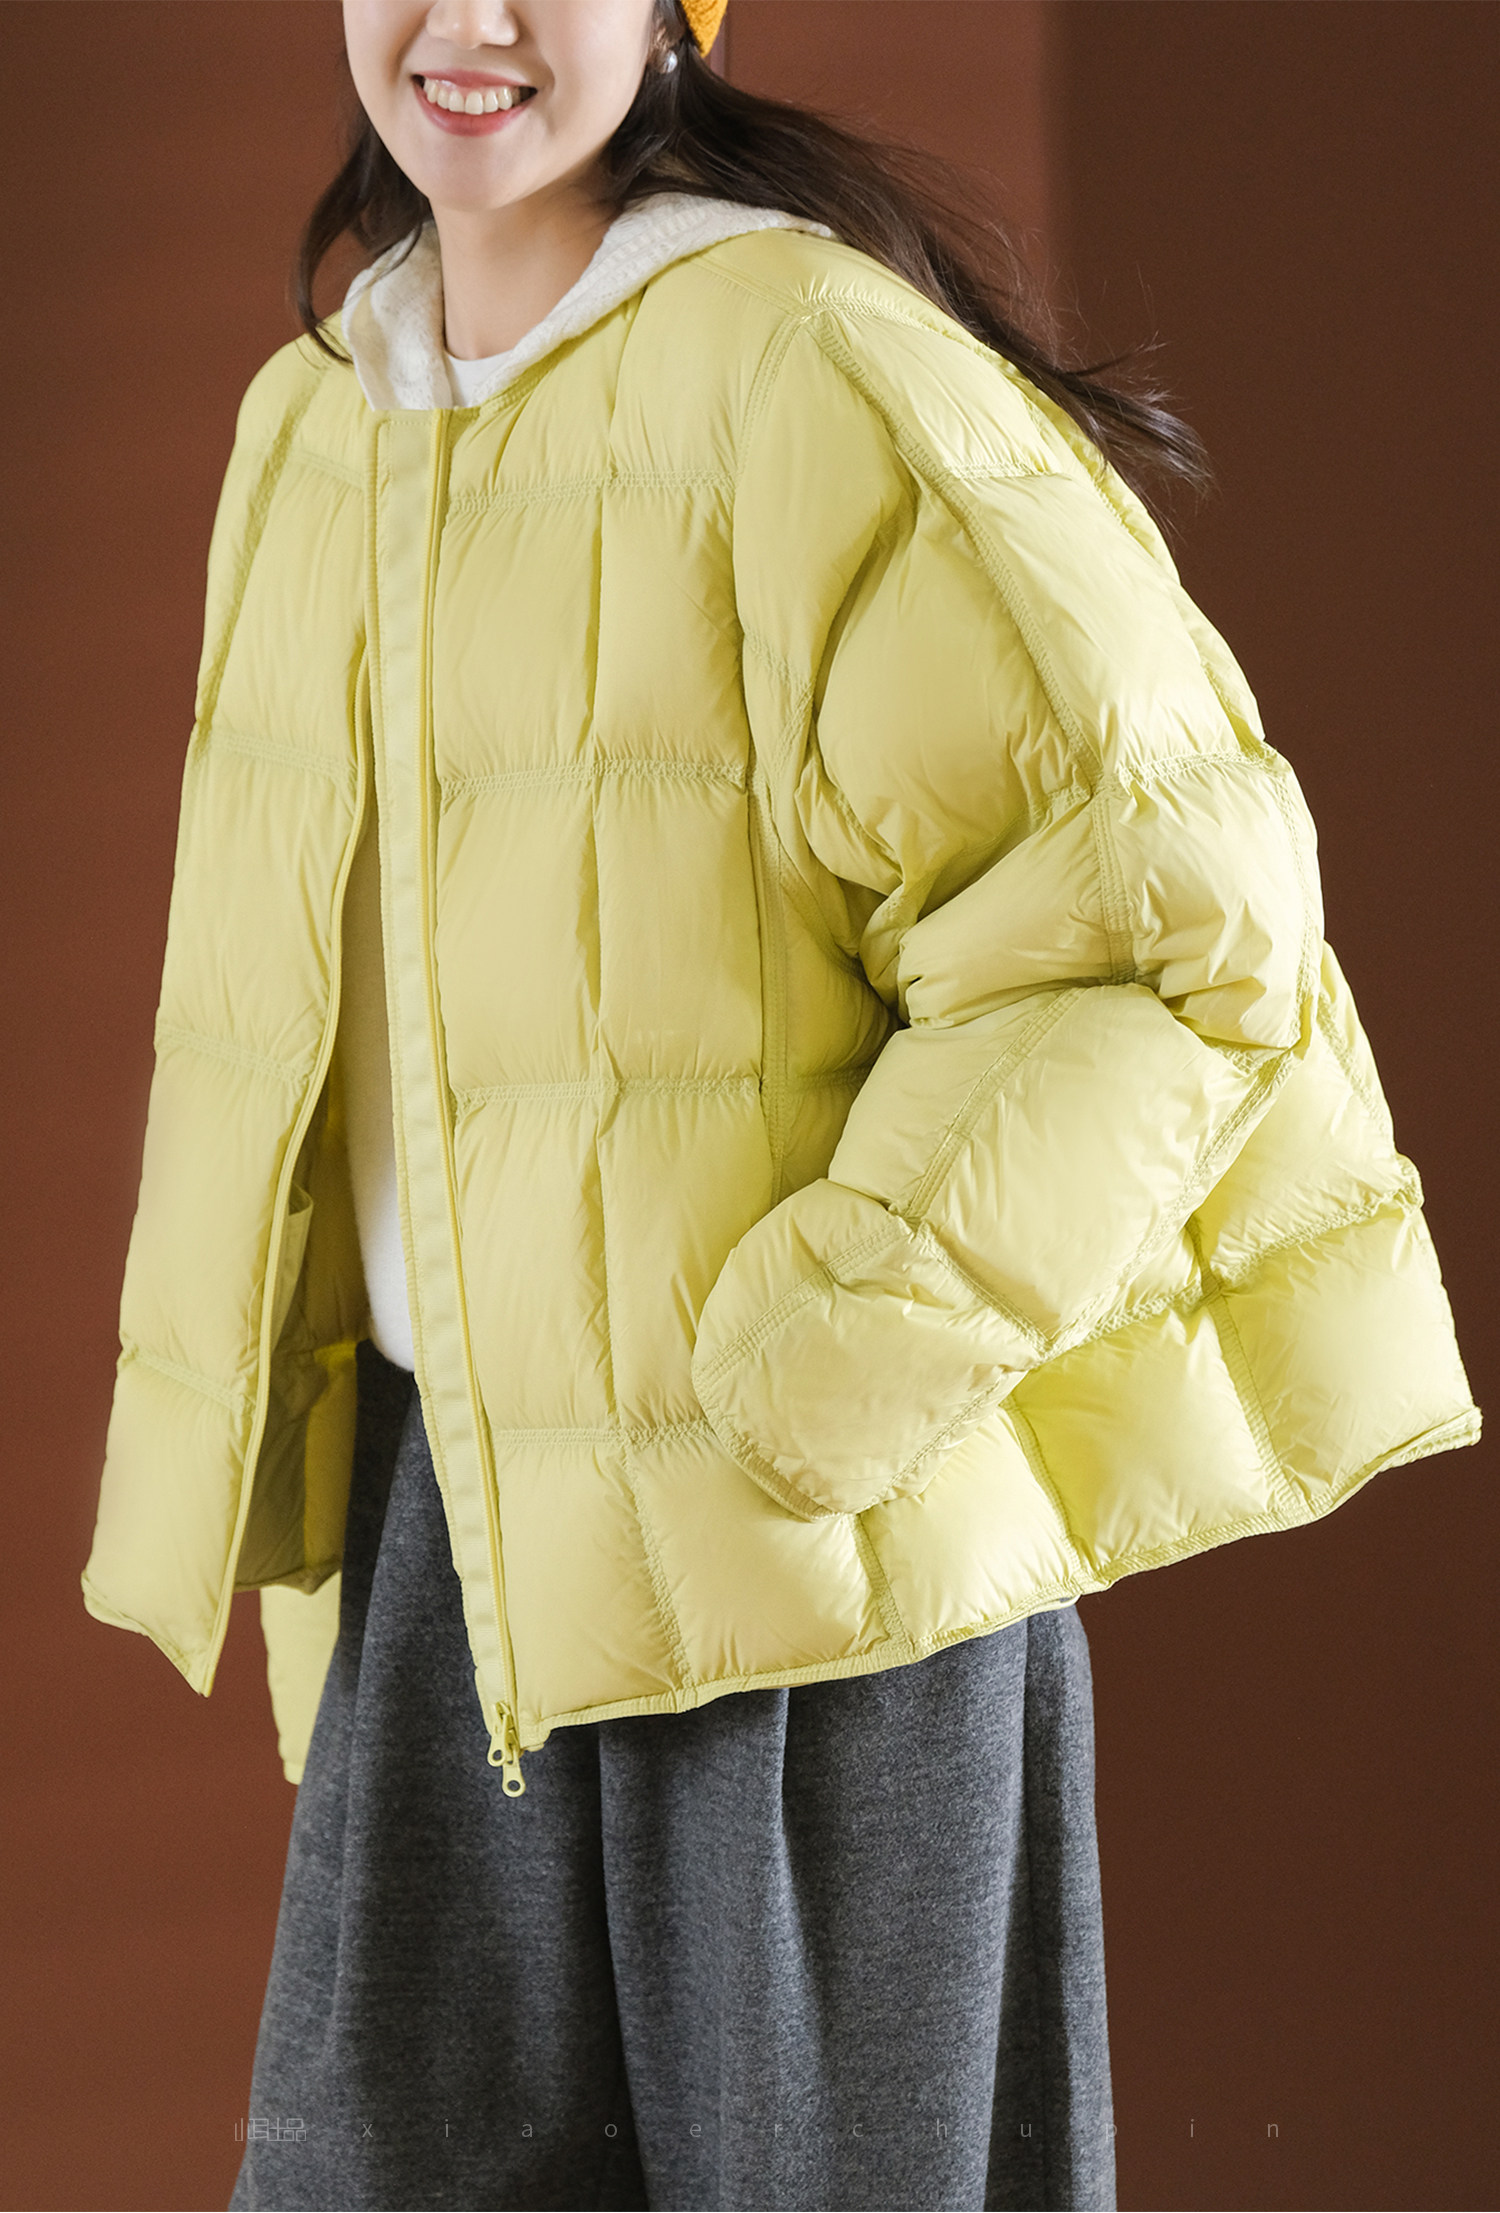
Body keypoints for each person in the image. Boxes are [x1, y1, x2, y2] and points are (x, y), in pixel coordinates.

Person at [79, 0, 1480, 2207]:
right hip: (456, 1563)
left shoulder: (809, 371)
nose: (470, 20)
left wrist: (806, 1381)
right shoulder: (313, 430)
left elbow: (1172, 930)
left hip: (815, 1576)